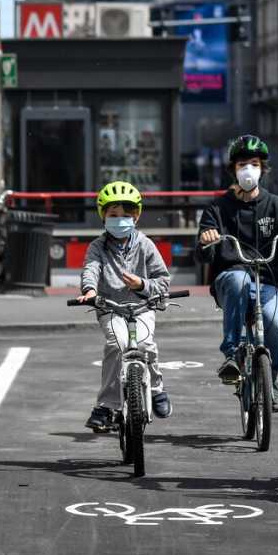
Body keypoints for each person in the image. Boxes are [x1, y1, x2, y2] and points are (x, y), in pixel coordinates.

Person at [198, 134, 278, 413]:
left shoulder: (277, 205)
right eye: (242, 164)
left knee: (275, 323)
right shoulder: (217, 208)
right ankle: (231, 354)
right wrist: (206, 240)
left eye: (254, 163)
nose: (248, 169)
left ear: (263, 168)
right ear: (234, 169)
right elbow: (202, 255)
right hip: (231, 279)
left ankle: (272, 381)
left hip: (268, 281)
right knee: (238, 279)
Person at [77, 181, 173, 432]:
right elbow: (90, 269)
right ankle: (106, 406)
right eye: (113, 215)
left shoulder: (146, 245)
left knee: (145, 344)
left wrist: (142, 284)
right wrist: (90, 291)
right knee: (116, 345)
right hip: (110, 308)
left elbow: (162, 280)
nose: (119, 220)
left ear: (136, 216)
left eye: (125, 215)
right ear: (103, 217)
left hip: (142, 307)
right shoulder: (97, 247)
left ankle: (156, 389)